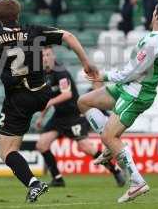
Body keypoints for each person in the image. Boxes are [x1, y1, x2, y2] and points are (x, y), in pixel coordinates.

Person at [0, 0, 98, 203]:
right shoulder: (34, 30)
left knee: (7, 152)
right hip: (42, 94)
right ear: (18, 15)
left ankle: (34, 183)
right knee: (17, 144)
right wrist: (86, 63)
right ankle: (40, 181)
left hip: (18, 98)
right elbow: (68, 36)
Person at [78, 0, 158, 203]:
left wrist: (103, 76)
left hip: (136, 92)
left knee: (110, 136)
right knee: (83, 102)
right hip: (127, 88)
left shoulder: (153, 42)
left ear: (156, 15)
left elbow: (131, 72)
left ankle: (137, 182)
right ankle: (110, 147)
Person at [35, 47, 125, 187]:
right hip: (58, 116)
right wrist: (41, 117)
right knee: (42, 144)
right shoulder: (43, 75)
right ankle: (57, 178)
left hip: (73, 115)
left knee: (85, 147)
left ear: (52, 56)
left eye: (47, 55)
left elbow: (67, 94)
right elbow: (47, 99)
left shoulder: (61, 72)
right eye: (42, 56)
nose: (45, 58)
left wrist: (50, 103)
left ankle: (115, 171)